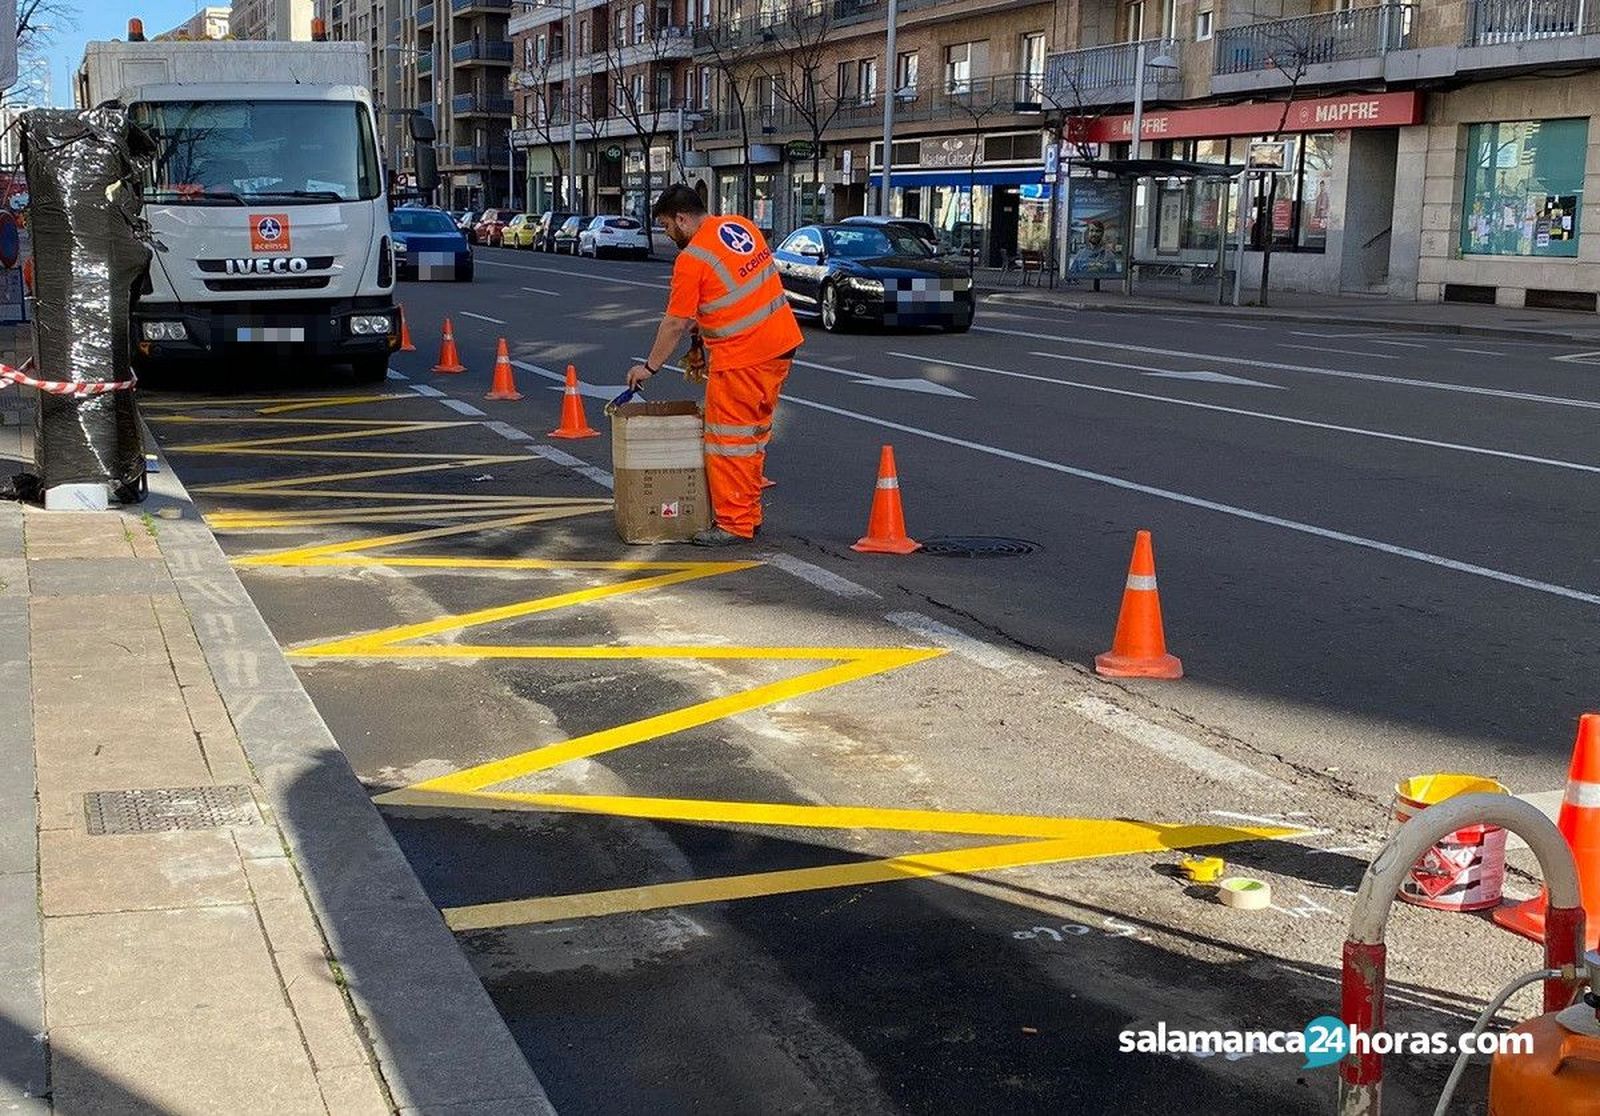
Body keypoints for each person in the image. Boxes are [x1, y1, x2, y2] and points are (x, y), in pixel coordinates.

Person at [627, 184, 803, 547]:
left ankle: (735, 524)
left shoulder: (692, 259)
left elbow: (675, 322)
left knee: (728, 442)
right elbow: (734, 292)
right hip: (780, 346)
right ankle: (749, 516)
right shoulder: (741, 226)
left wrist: (650, 367)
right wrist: (703, 332)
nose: (667, 234)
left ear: (681, 218)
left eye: (666, 226)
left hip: (743, 358)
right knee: (751, 439)